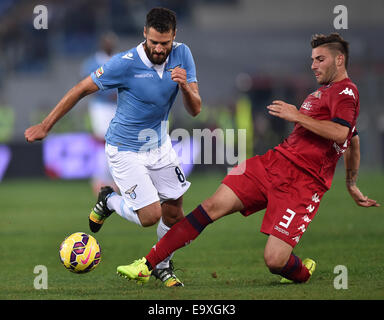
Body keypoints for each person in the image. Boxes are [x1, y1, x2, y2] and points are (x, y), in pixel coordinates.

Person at [116, 33, 380, 285]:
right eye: (312, 59)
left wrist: (297, 116)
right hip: (273, 164)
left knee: (275, 261)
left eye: (319, 59)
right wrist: (351, 182)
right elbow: (352, 139)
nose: (313, 65)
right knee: (211, 206)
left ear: (339, 60)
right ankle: (147, 264)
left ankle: (302, 271)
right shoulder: (321, 93)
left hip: (304, 183)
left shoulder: (346, 92)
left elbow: (342, 132)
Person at [24, 7, 201, 287]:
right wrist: (46, 125)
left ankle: (162, 266)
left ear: (174, 37)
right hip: (125, 149)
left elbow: (195, 110)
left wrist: (186, 88)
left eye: (164, 43)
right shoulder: (125, 63)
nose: (158, 48)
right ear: (144, 33)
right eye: (153, 42)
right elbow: (81, 89)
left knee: (174, 212)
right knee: (149, 216)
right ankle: (108, 199)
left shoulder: (183, 55)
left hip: (160, 146)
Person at [81, 32, 118, 195]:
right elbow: (87, 83)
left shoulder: (120, 59)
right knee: (103, 141)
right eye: (107, 42)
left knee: (116, 142)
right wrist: (107, 94)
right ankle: (99, 178)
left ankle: (113, 179)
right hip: (101, 106)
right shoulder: (92, 63)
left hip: (118, 106)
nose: (109, 45)